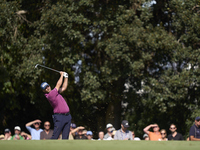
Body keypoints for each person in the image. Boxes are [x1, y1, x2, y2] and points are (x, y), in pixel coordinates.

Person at [41, 71, 71, 139]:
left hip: (67, 116)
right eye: (45, 88)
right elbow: (58, 85)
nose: (47, 88)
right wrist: (61, 75)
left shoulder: (55, 92)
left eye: (47, 86)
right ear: (44, 91)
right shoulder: (50, 95)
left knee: (65, 138)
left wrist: (66, 77)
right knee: (55, 136)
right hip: (59, 117)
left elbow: (63, 88)